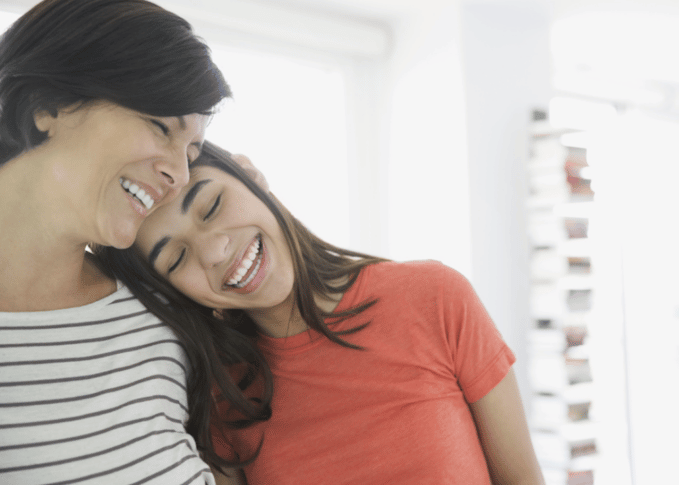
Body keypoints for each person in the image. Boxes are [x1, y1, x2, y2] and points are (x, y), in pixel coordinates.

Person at [97, 142, 546, 485]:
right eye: (176, 259)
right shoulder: (221, 395)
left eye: (211, 205)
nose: (215, 251)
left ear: (252, 177)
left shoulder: (435, 296)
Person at [0, 0, 231, 483]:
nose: (179, 174)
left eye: (192, 152)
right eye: (160, 126)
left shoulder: (164, 304)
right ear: (48, 104)